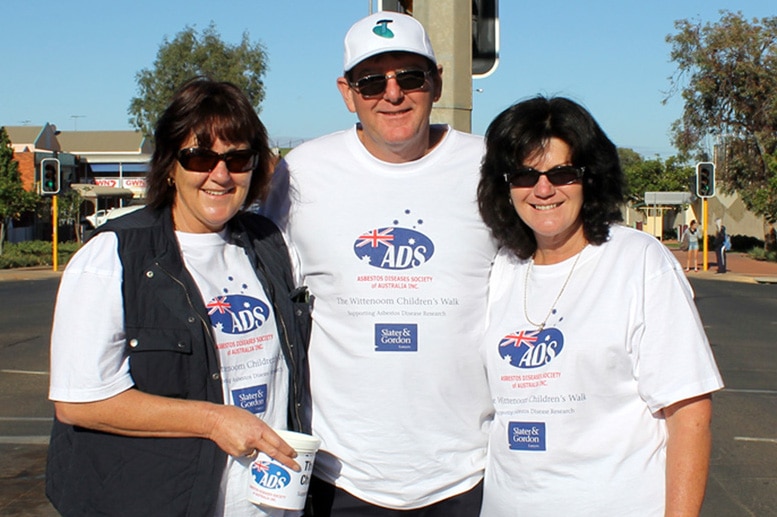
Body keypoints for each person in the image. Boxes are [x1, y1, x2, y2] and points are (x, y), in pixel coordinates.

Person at [262, 11, 497, 516]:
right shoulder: (303, 173)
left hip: (469, 475)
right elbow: (262, 286)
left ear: (435, 81)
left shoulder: (489, 167)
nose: (392, 94)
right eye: (372, 81)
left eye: (409, 76)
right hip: (341, 477)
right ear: (347, 92)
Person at [46, 77, 312, 516]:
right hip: (161, 500)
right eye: (200, 157)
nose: (220, 175)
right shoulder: (114, 256)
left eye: (237, 158)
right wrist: (213, 420)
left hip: (265, 504)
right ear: (170, 164)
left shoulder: (270, 247)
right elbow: (78, 403)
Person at [476, 96, 723, 516]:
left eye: (562, 173)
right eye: (524, 175)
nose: (543, 189)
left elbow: (689, 412)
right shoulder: (503, 265)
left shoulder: (638, 261)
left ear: (591, 177)